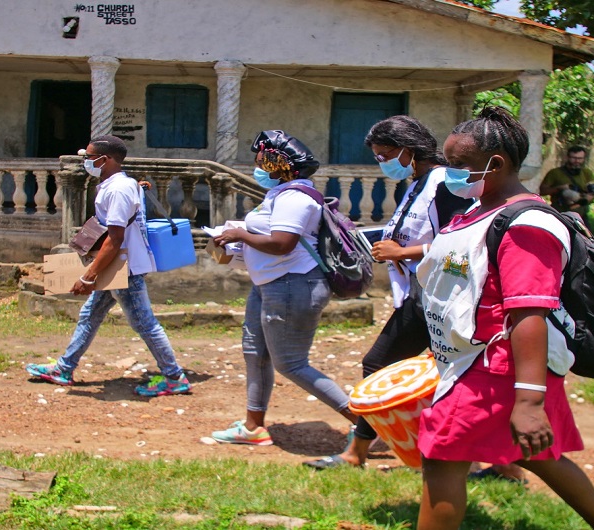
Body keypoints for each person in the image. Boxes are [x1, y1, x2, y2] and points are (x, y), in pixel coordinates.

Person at [415, 107, 594, 530]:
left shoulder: (527, 225)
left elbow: (529, 310)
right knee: (535, 454)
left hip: (498, 369)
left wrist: (529, 402)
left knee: (441, 458)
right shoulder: (479, 210)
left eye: (458, 165)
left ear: (497, 164)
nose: (449, 173)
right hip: (472, 360)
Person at [303, 115, 473, 469]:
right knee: (449, 374)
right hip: (421, 293)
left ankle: (357, 453)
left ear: (408, 150)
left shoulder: (444, 184)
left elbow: (464, 244)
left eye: (385, 155)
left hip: (439, 296)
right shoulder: (418, 183)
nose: (381, 163)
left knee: (379, 364)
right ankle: (491, 461)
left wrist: (403, 253)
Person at [209, 130, 358, 446]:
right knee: (256, 354)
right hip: (268, 286)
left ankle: (366, 424)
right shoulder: (280, 194)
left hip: (293, 286)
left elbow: (281, 243)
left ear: (278, 164)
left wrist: (240, 235)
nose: (257, 166)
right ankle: (253, 428)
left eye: (261, 160)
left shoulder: (296, 198)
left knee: (291, 364)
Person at [25, 135, 192, 397]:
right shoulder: (119, 185)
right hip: (117, 266)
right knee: (90, 315)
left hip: (125, 268)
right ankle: (64, 368)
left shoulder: (117, 190)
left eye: (91, 158)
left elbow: (115, 239)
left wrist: (89, 276)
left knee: (144, 323)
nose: (87, 162)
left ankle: (174, 377)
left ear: (108, 159)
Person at [539, 145, 594, 225]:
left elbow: (593, 191)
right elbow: (542, 191)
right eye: (573, 158)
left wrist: (586, 199)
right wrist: (559, 188)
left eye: (580, 158)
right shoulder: (555, 173)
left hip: (581, 216)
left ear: (584, 159)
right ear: (567, 157)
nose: (576, 161)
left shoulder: (586, 173)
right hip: (560, 214)